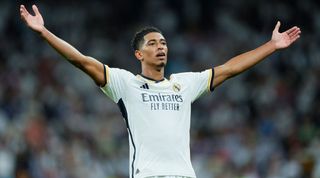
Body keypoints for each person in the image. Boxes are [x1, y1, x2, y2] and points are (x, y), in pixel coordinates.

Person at [19, 4, 301, 178]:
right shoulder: (124, 84)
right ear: (138, 54)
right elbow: (81, 61)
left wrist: (271, 46)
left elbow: (229, 69)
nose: (161, 46)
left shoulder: (185, 84)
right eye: (153, 43)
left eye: (163, 42)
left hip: (184, 175)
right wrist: (44, 32)